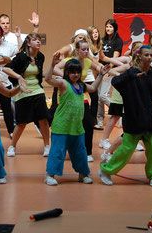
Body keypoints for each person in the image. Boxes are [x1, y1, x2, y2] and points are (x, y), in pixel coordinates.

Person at [98, 45, 152, 187]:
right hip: (133, 118)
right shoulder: (131, 71)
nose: (149, 57)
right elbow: (116, 82)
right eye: (146, 55)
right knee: (126, 150)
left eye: (151, 55)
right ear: (140, 56)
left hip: (149, 119)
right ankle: (106, 170)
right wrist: (131, 75)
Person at [44, 56, 109, 185]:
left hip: (77, 127)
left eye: (78, 72)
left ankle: (83, 174)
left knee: (80, 152)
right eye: (72, 72)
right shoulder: (63, 83)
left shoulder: (81, 85)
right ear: (67, 72)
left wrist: (101, 75)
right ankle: (50, 175)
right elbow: (48, 79)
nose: (76, 74)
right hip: (61, 126)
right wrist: (52, 64)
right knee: (58, 151)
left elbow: (93, 88)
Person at [53, 38, 103, 163]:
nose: (86, 52)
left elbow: (100, 68)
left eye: (87, 49)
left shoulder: (87, 61)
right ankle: (62, 149)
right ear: (77, 50)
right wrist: (67, 78)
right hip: (67, 96)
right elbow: (54, 68)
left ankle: (88, 152)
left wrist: (110, 71)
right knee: (67, 124)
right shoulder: (69, 61)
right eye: (83, 49)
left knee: (88, 123)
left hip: (80, 94)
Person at [2, 33, 51, 157]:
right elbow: (6, 69)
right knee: (21, 123)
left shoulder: (40, 56)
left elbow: (38, 74)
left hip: (37, 90)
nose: (38, 42)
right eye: (35, 40)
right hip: (22, 90)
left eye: (39, 40)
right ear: (28, 43)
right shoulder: (21, 57)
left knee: (43, 119)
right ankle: (12, 146)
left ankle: (47, 146)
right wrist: (19, 77)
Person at [96, 19, 124, 129]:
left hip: (111, 70)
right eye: (107, 26)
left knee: (103, 96)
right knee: (98, 97)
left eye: (110, 27)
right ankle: (99, 120)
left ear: (115, 28)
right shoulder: (102, 40)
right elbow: (100, 57)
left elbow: (115, 57)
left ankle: (119, 113)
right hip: (100, 70)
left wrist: (109, 69)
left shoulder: (118, 41)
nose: (108, 28)